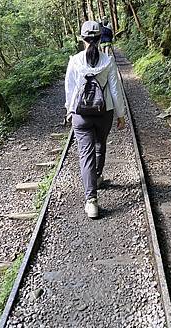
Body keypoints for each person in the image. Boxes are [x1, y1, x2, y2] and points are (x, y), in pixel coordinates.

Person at [65, 20, 126, 219]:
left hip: (80, 114)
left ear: (82, 39)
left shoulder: (74, 61)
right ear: (100, 39)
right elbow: (115, 91)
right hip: (103, 112)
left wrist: (69, 110)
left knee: (85, 155)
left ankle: (91, 201)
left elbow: (70, 89)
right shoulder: (108, 61)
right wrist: (121, 114)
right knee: (100, 145)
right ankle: (98, 177)